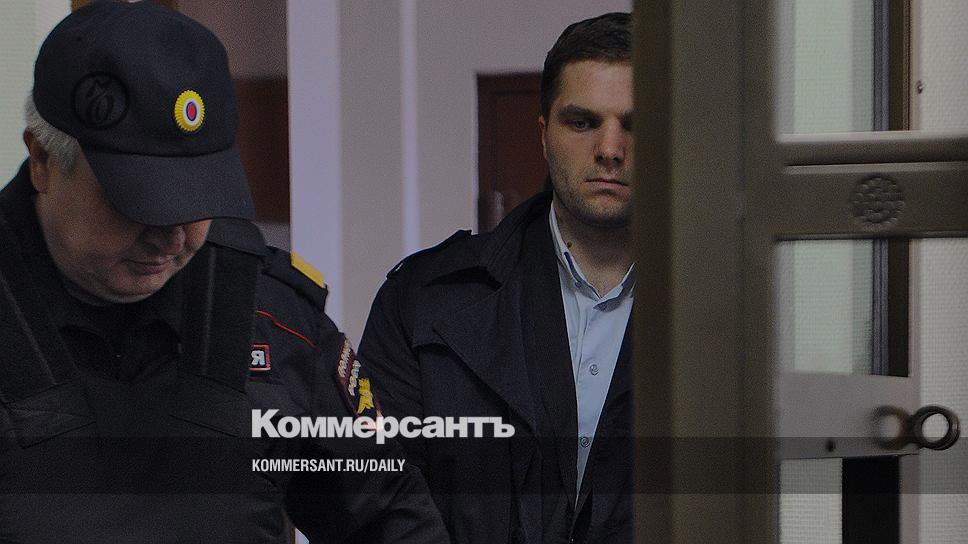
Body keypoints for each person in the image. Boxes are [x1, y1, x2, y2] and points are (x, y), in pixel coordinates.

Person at [0, 2, 447, 542]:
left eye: (196, 199)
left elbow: (392, 519)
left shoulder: (269, 313)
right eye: (137, 202)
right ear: (44, 161)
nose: (171, 238)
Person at [358, 12, 634, 544]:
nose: (609, 148)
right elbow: (377, 506)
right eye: (582, 123)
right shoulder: (421, 302)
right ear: (544, 135)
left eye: (634, 124)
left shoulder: (721, 314)